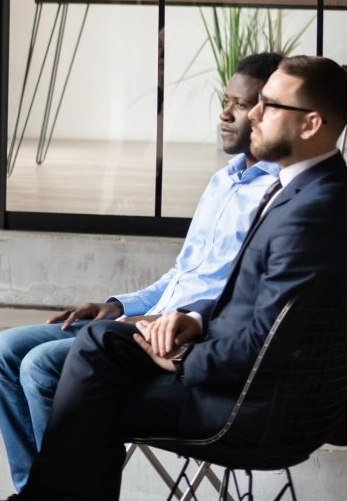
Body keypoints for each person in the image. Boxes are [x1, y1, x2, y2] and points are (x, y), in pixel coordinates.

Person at [19, 56, 347, 501]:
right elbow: (260, 307)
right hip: (237, 373)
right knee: (101, 341)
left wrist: (182, 358)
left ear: (310, 124)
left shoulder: (312, 212)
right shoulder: (308, 191)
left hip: (246, 406)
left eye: (268, 105)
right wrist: (193, 321)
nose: (253, 114)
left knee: (82, 391)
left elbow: (266, 341)